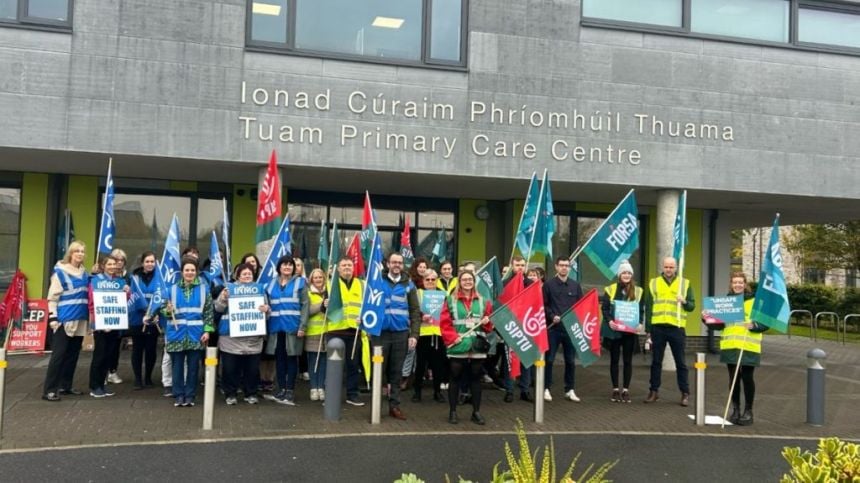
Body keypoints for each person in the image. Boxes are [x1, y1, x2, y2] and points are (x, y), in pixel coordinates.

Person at [703, 272, 767, 426]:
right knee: (733, 380)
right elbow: (718, 325)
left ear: (745, 284)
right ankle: (736, 409)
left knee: (747, 378)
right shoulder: (726, 303)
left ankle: (748, 411)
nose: (737, 285)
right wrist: (705, 318)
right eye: (735, 282)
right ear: (731, 284)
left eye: (740, 282)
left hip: (748, 345)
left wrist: (754, 325)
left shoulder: (754, 302)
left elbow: (766, 322)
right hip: (730, 346)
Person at [439, 271, 493, 425]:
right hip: (458, 343)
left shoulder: (484, 301)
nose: (467, 282)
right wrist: (451, 337)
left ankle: (476, 412)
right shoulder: (450, 300)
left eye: (470, 279)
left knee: (476, 378)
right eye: (464, 279)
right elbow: (444, 323)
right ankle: (453, 411)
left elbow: (489, 327)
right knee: (455, 377)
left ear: (474, 281)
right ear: (459, 282)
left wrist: (487, 321)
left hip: (477, 345)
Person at [160, 257, 215, 407]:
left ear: (196, 272)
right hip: (176, 334)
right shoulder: (171, 289)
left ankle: (190, 395)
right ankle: (178, 395)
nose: (189, 273)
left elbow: (209, 312)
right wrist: (167, 310)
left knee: (193, 368)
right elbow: (162, 310)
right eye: (187, 270)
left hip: (196, 334)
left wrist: (207, 331)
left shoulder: (204, 290)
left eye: (192, 270)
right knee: (177, 367)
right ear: (182, 272)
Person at [375, 252, 422, 420]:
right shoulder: (378, 282)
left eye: (400, 263)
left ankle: (394, 406)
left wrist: (414, 335)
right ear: (388, 264)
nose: (396, 265)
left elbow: (415, 311)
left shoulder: (409, 285)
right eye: (393, 262)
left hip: (401, 334)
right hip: (380, 334)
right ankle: (376, 407)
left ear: (403, 265)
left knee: (396, 372)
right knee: (378, 371)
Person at [215, 263, 270, 405]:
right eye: (244, 273)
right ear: (238, 275)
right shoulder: (229, 289)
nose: (247, 276)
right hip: (230, 337)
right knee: (230, 368)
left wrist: (266, 309)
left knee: (251, 369)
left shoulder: (259, 290)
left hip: (252, 338)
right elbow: (218, 308)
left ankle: (250, 393)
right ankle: (230, 394)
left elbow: (268, 313)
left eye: (250, 274)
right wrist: (223, 298)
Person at [644, 256, 695, 406]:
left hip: (676, 328)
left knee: (681, 362)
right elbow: (649, 307)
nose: (668, 269)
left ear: (676, 267)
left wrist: (684, 301)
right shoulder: (654, 283)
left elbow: (692, 306)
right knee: (656, 362)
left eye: (671, 267)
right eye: (666, 267)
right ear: (662, 267)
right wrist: (648, 330)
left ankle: (685, 393)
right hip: (658, 328)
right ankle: (654, 391)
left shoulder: (684, 284)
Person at [42, 241, 90, 401]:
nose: (80, 254)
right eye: (77, 251)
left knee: (72, 355)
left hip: (80, 319)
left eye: (82, 251)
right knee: (59, 356)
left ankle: (65, 386)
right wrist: (53, 317)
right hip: (64, 320)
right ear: (70, 253)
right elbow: (52, 298)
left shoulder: (84, 273)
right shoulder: (60, 273)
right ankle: (49, 389)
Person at [263, 256, 308, 405]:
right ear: (279, 267)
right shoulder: (270, 285)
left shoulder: (300, 283)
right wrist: (266, 309)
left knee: (292, 359)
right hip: (276, 327)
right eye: (284, 265)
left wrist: (302, 326)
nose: (287, 267)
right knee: (279, 359)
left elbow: (305, 306)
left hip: (293, 327)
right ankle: (281, 389)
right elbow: (267, 305)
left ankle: (290, 391)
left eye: (290, 265)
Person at [600, 261, 644, 403]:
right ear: (619, 275)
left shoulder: (638, 291)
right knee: (614, 360)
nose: (626, 275)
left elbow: (641, 310)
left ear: (632, 275)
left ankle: (625, 390)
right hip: (615, 331)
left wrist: (640, 324)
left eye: (629, 273)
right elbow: (605, 308)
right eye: (624, 273)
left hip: (629, 332)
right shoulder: (611, 289)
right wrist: (610, 321)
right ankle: (615, 389)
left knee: (627, 361)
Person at [325, 257, 365, 407]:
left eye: (349, 265)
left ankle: (352, 395)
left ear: (353, 268)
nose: (347, 267)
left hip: (354, 331)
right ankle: (331, 395)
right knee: (333, 366)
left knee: (353, 365)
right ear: (338, 269)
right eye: (343, 265)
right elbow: (324, 309)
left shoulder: (362, 285)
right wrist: (325, 304)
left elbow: (367, 308)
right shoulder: (331, 285)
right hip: (335, 330)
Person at [88, 255, 129, 398]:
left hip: (114, 324)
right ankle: (94, 386)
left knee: (108, 356)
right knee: (99, 356)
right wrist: (98, 322)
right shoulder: (96, 281)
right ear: (103, 266)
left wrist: (127, 292)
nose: (112, 266)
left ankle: (102, 384)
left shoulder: (119, 282)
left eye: (114, 264)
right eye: (109, 264)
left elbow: (123, 302)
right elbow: (92, 304)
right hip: (101, 325)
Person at [543, 256, 583, 403]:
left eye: (567, 265)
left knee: (570, 361)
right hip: (553, 329)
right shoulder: (548, 285)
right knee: (550, 359)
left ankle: (569, 390)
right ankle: (546, 388)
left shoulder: (575, 285)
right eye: (562, 265)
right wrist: (552, 316)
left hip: (570, 330)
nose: (564, 268)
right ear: (556, 267)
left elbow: (580, 306)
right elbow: (544, 305)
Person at [412, 269, 447, 403]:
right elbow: (413, 311)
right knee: (420, 365)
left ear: (437, 280)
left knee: (438, 365)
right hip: (423, 333)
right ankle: (417, 392)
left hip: (439, 334)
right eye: (428, 279)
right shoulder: (418, 293)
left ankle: (437, 392)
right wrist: (422, 316)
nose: (431, 282)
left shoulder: (443, 295)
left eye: (433, 279)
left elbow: (448, 312)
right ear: (423, 281)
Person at [502, 255, 533, 403]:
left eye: (522, 265)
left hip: (527, 326)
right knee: (510, 360)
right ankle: (509, 390)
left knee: (526, 360)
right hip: (511, 327)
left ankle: (525, 390)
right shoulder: (505, 283)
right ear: (512, 266)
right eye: (517, 265)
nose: (520, 268)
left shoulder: (531, 284)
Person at [129, 251, 160, 389]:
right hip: (138, 318)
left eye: (152, 261)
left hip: (154, 318)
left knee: (151, 350)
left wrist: (155, 313)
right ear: (142, 263)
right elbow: (132, 296)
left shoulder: (160, 278)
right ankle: (137, 379)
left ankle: (148, 377)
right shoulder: (135, 277)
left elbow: (162, 297)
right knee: (137, 349)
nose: (150, 264)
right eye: (147, 261)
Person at [401, 257, 429, 389]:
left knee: (419, 355)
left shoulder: (431, 284)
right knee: (410, 350)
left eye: (424, 267)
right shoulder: (410, 284)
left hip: (428, 326)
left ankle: (415, 377)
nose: (422, 269)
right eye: (420, 267)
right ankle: (405, 377)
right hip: (412, 322)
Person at [105, 248, 130, 385]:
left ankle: (112, 371)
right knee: (104, 346)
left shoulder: (127, 277)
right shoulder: (104, 276)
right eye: (116, 260)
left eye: (122, 260)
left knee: (115, 345)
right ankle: (102, 372)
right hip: (106, 314)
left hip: (120, 315)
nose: (119, 263)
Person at [305, 268, 328, 401]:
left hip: (326, 332)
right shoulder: (308, 294)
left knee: (324, 362)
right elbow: (307, 311)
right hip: (313, 333)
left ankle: (321, 387)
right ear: (311, 280)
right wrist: (322, 304)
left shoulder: (329, 293)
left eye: (320, 277)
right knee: (314, 361)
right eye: (315, 278)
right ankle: (314, 388)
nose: (318, 279)